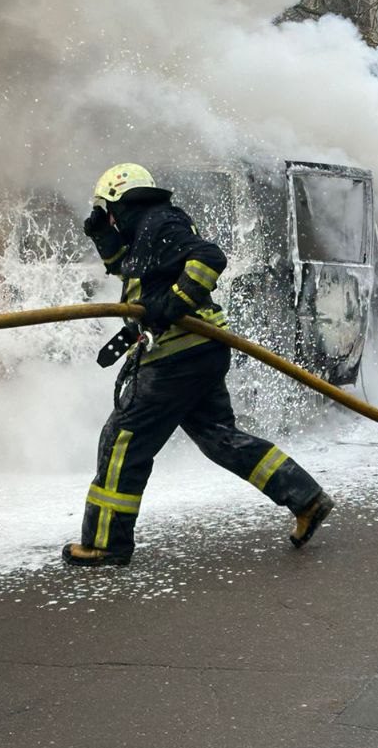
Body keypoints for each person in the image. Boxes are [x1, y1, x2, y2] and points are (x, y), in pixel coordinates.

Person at [66, 163, 335, 567]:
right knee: (220, 438)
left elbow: (209, 258)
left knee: (124, 440)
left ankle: (106, 542)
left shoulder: (160, 221)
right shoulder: (147, 225)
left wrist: (174, 304)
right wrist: (103, 237)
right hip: (198, 351)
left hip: (177, 354)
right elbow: (133, 267)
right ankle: (305, 498)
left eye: (106, 214)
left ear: (116, 204)